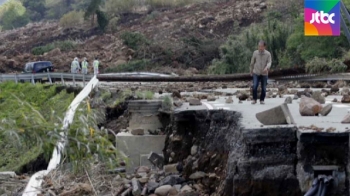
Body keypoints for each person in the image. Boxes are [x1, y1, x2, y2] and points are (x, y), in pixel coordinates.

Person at [250, 40, 272, 104]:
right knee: (255, 86)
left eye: (261, 46)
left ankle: (262, 100)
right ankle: (254, 99)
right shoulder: (255, 53)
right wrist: (251, 71)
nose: (260, 48)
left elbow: (269, 62)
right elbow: (252, 62)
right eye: (259, 46)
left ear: (264, 47)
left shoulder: (268, 54)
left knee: (264, 88)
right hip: (256, 72)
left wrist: (267, 67)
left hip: (264, 73)